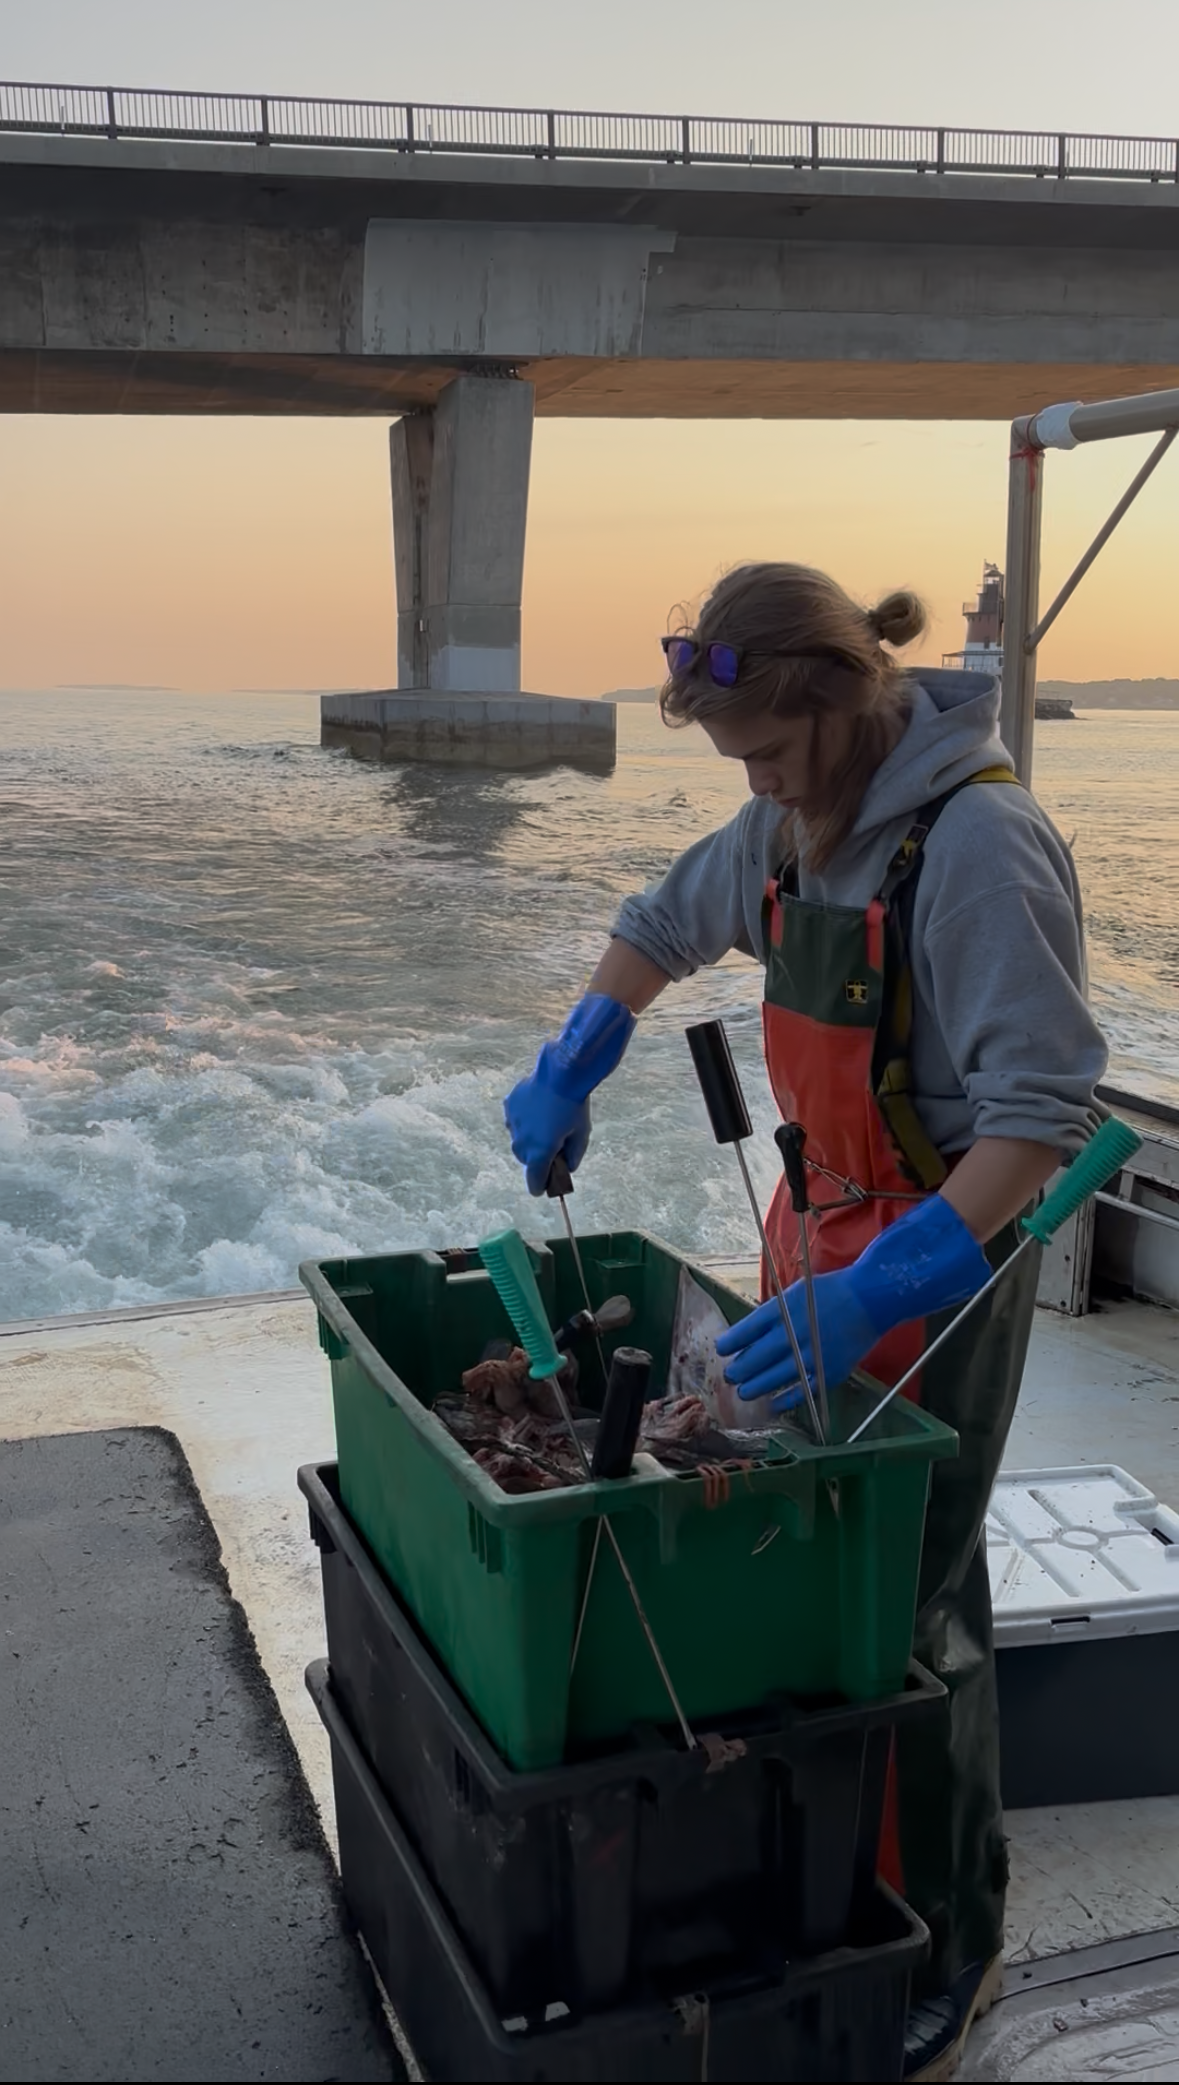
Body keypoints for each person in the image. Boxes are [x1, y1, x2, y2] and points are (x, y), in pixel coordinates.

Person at [503, 561, 1107, 2083]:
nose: (757, 785)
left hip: (940, 1258)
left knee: (904, 1598)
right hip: (814, 1229)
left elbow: (1039, 1116)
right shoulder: (794, 814)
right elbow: (663, 918)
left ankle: (949, 1937)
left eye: (768, 754)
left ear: (840, 701)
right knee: (800, 1563)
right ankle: (826, 1871)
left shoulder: (978, 846)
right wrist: (582, 1045)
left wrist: (890, 1289)